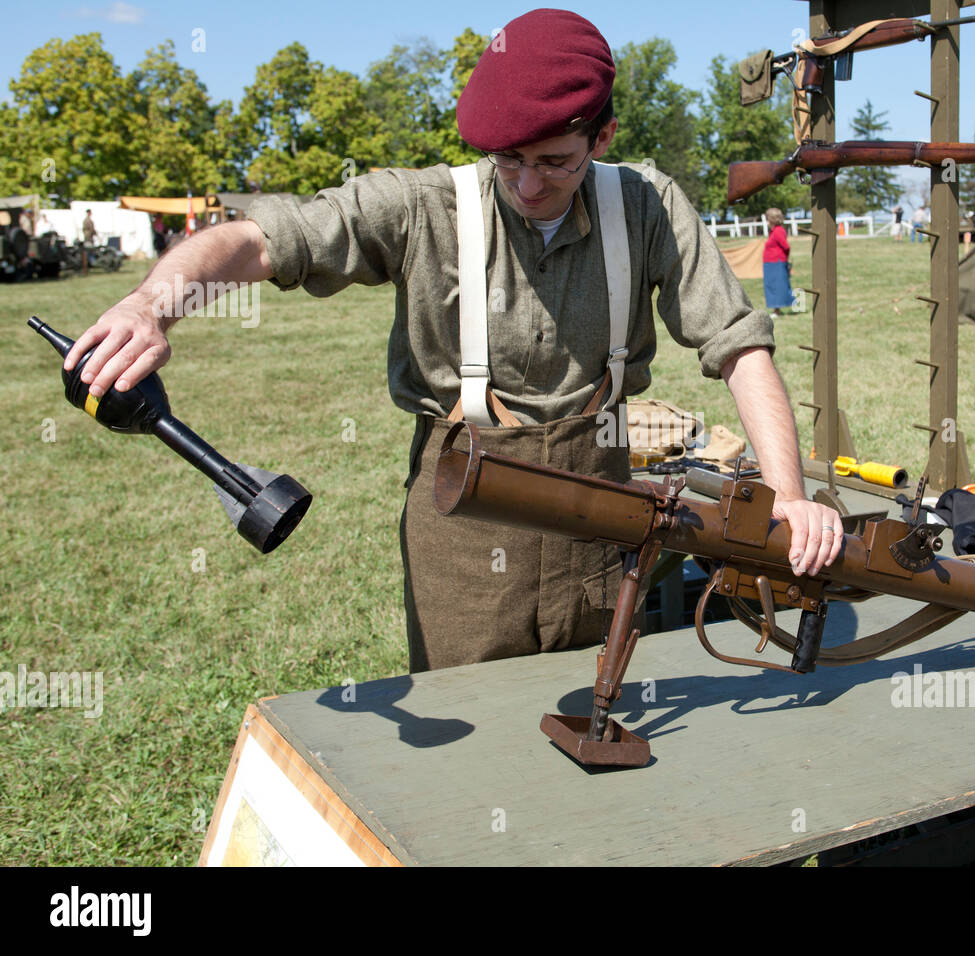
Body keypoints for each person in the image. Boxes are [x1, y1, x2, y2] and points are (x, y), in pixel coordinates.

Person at [62, 9, 844, 673]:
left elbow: (739, 345)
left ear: (602, 135)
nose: (529, 185)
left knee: (604, 711)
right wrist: (151, 305)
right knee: (468, 739)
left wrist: (789, 498)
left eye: (556, 163)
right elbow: (265, 239)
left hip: (602, 506)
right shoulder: (421, 207)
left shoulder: (646, 205)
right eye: (509, 161)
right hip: (463, 513)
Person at [761, 207, 795, 317]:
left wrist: (784, 261)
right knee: (772, 286)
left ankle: (777, 310)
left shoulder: (778, 231)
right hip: (770, 263)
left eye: (767, 219)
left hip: (776, 263)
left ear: (772, 219)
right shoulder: (774, 231)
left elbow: (786, 246)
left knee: (777, 286)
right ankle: (776, 309)